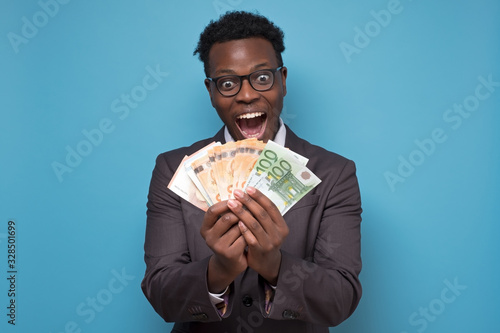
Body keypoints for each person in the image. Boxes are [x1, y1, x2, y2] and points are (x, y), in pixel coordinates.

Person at [141, 11, 362, 333]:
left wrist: (273, 264)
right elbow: (162, 295)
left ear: (282, 80)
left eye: (261, 77)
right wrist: (219, 270)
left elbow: (340, 300)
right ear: (211, 91)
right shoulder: (174, 170)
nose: (246, 95)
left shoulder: (334, 173)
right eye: (228, 83)